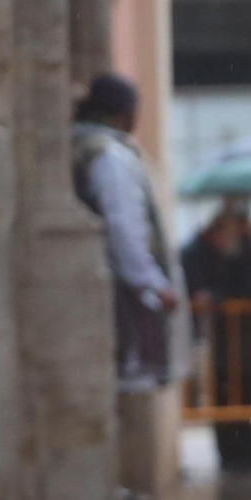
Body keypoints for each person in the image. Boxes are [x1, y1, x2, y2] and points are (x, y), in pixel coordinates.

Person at [72, 73, 178, 392]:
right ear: (125, 113)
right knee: (126, 379)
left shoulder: (83, 144)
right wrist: (152, 282)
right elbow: (124, 225)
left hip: (100, 285)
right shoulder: (109, 155)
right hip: (118, 292)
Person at [181, 198, 251, 470]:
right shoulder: (197, 252)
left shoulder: (245, 253)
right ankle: (229, 453)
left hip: (245, 339)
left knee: (246, 391)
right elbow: (198, 287)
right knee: (223, 391)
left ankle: (247, 449)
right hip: (217, 339)